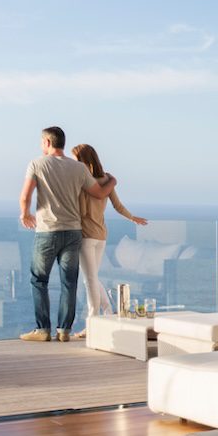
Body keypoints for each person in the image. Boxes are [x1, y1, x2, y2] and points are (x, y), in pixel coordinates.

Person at [19, 126, 116, 343]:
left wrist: (24, 214)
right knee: (69, 282)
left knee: (39, 280)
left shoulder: (37, 164)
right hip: (73, 232)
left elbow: (25, 195)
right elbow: (99, 192)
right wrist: (112, 181)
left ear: (46, 142)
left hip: (47, 231)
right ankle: (64, 330)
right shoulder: (79, 168)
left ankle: (43, 330)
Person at [71, 143, 147, 337]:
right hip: (101, 236)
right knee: (93, 277)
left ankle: (93, 323)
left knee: (89, 280)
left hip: (86, 236)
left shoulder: (81, 181)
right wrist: (132, 218)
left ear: (82, 160)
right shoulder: (106, 180)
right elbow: (118, 205)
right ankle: (108, 312)